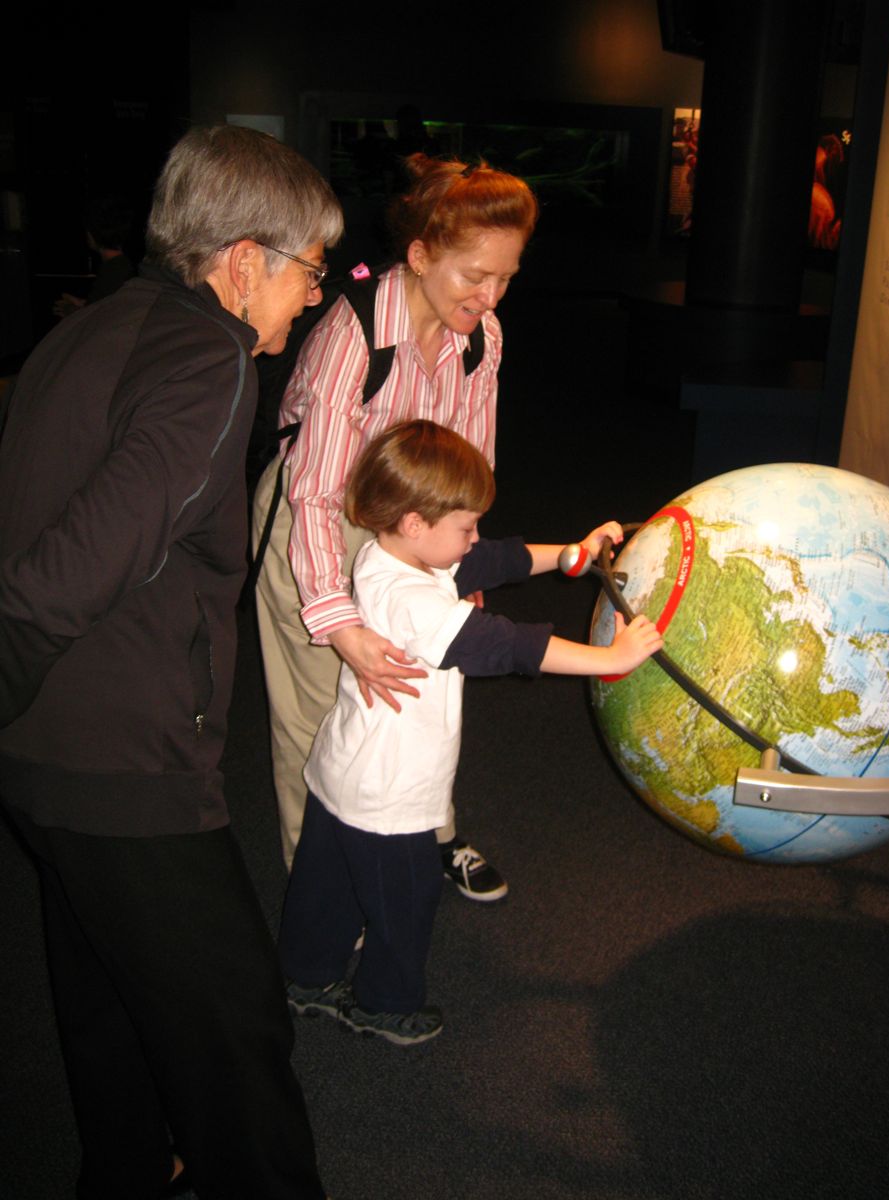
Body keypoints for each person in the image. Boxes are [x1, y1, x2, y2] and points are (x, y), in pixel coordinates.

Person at [0, 124, 342, 1200]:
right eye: (310, 273)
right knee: (237, 1043)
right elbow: (68, 570)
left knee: (107, 1008)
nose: (313, 300)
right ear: (245, 261)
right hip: (125, 771)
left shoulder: (85, 330)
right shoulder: (209, 357)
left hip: (41, 763)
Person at [278, 420, 663, 1045]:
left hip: (342, 773)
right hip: (392, 798)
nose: (473, 537)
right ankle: (383, 1002)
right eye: (464, 525)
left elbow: (494, 559)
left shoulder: (388, 557)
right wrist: (610, 659)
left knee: (329, 883)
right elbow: (504, 645)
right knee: (406, 900)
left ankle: (305, 975)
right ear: (414, 522)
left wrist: (575, 551)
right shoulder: (414, 601)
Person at [253, 153, 539, 900]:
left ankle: (431, 833)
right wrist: (337, 619)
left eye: (505, 275)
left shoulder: (484, 336)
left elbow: (468, 467)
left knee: (422, 688)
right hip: (317, 519)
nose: (490, 293)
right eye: (474, 274)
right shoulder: (353, 335)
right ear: (419, 255)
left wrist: (460, 563)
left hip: (411, 523)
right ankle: (317, 892)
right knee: (321, 715)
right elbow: (314, 495)